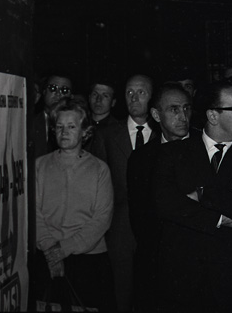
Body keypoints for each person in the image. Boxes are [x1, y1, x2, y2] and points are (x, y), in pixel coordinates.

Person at [155, 80, 232, 313]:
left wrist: (202, 194)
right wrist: (220, 219)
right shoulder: (171, 154)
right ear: (213, 116)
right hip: (184, 281)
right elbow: (166, 204)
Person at [35, 98, 116, 312]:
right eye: (59, 126)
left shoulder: (99, 169)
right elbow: (33, 214)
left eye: (71, 127)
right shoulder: (40, 166)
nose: (64, 132)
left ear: (85, 132)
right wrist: (51, 249)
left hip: (87, 260)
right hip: (46, 255)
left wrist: (63, 250)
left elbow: (102, 219)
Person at [91, 73, 158, 313]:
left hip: (157, 226)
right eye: (129, 92)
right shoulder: (108, 135)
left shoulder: (164, 134)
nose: (134, 98)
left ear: (152, 97)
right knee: (121, 292)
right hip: (120, 228)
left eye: (141, 92)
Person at [127, 83, 193, 313]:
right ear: (156, 115)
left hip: (201, 262)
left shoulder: (206, 148)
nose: (183, 116)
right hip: (158, 263)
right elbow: (139, 217)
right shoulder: (141, 159)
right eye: (174, 109)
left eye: (186, 108)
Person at [33, 73, 73, 158]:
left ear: (71, 96)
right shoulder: (30, 124)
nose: (58, 94)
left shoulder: (77, 126)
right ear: (44, 92)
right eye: (53, 88)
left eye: (64, 90)